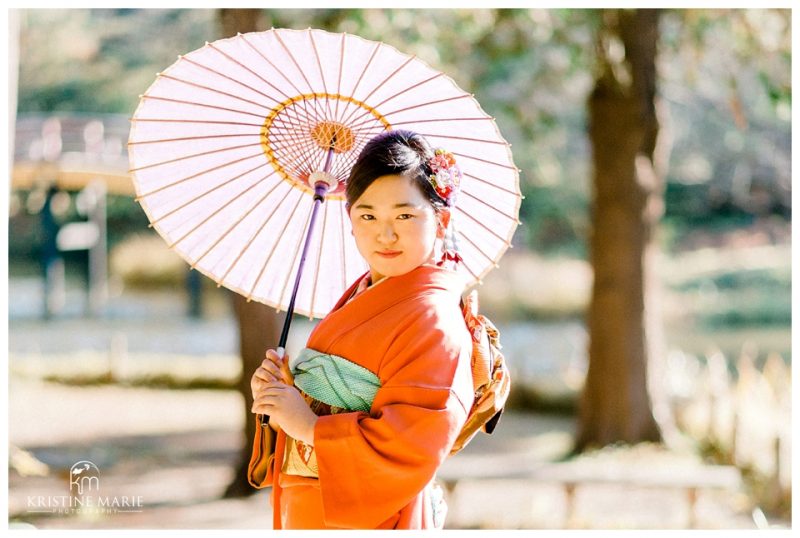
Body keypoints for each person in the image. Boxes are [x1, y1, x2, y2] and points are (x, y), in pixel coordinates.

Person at [247, 130, 475, 529]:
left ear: (441, 221)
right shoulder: (366, 293)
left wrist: (307, 424)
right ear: (350, 219)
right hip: (312, 503)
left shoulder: (434, 319)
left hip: (367, 515)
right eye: (367, 215)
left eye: (404, 215)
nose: (384, 235)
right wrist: (283, 392)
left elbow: (412, 444)